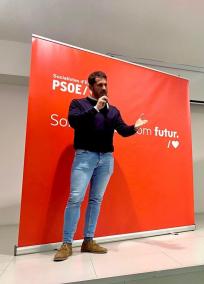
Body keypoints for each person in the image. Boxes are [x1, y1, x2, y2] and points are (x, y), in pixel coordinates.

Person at [54, 71, 148, 261]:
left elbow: (123, 131)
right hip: (84, 157)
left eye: (105, 84)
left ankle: (88, 241)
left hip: (106, 159)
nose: (104, 88)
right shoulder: (78, 104)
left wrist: (134, 128)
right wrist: (95, 108)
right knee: (75, 198)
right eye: (99, 85)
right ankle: (66, 244)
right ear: (91, 86)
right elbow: (74, 122)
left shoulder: (113, 111)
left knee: (95, 200)